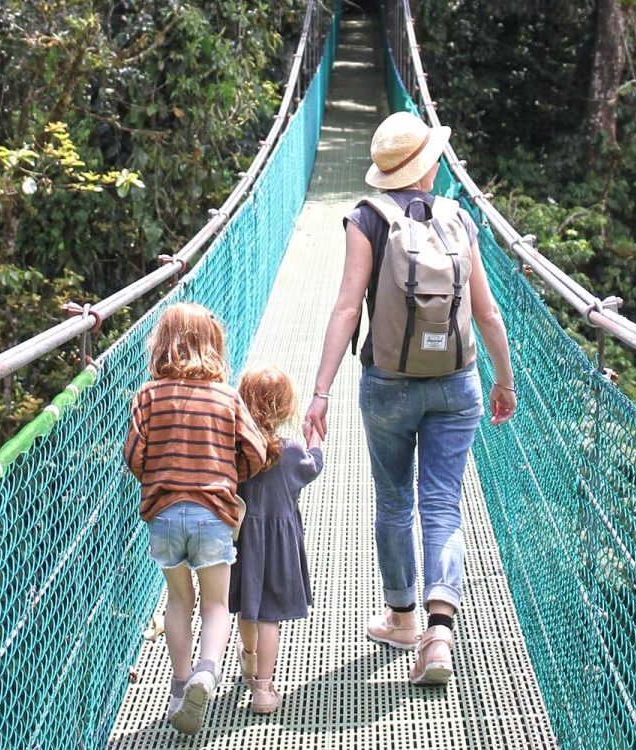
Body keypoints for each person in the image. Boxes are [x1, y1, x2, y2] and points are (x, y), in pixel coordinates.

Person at [303, 111, 518, 686]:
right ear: (428, 166)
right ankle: (440, 632)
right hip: (458, 382)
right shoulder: (460, 220)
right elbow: (488, 312)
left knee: (396, 501)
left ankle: (402, 619)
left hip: (388, 385)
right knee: (444, 503)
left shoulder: (365, 219)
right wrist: (505, 379)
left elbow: (348, 309)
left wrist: (319, 392)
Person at [124, 302, 269, 734]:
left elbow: (134, 458)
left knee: (178, 601)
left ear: (161, 345)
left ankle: (179, 684)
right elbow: (257, 453)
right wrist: (227, 473)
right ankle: (208, 670)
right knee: (217, 603)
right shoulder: (227, 397)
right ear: (214, 346)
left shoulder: (147, 397)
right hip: (213, 513)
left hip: (164, 514)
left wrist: (160, 476)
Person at [229, 365, 324, 714]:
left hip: (242, 544)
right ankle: (263, 690)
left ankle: (249, 661)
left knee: (247, 606)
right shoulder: (290, 452)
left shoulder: (236, 451)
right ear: (285, 408)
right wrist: (313, 436)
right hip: (278, 545)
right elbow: (314, 465)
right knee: (269, 616)